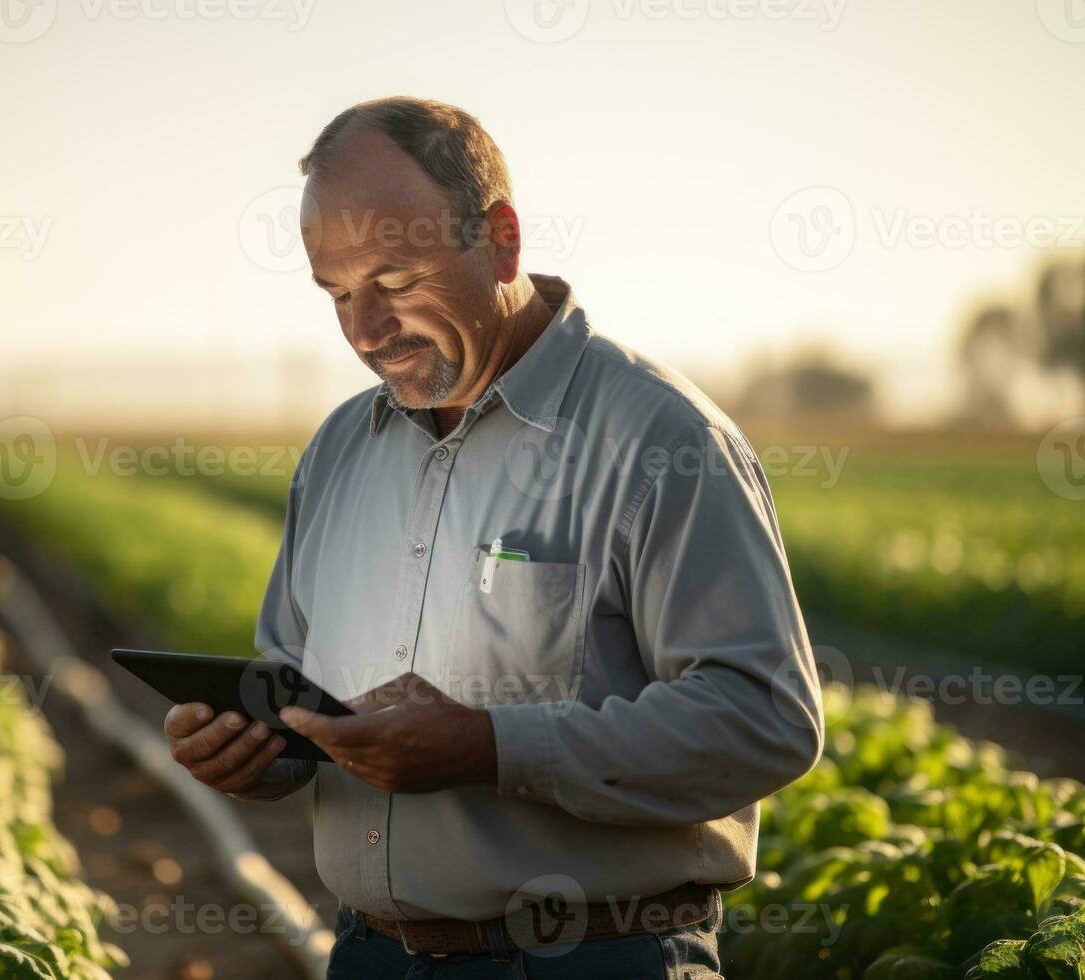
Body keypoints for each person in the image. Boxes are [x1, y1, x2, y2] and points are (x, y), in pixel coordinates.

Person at [164, 96, 824, 978]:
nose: (365, 330)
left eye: (395, 283)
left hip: (593, 958)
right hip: (368, 956)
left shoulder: (661, 442)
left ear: (502, 239)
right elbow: (298, 690)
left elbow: (765, 719)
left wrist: (489, 746)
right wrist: (255, 754)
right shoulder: (337, 453)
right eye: (339, 294)